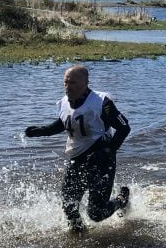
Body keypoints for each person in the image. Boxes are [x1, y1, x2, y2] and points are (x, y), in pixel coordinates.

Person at [24, 65, 131, 233]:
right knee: (69, 207)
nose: (68, 86)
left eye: (73, 82)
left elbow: (124, 128)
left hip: (101, 159)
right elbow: (65, 122)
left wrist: (108, 151)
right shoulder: (64, 102)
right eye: (65, 82)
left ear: (85, 83)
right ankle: (79, 238)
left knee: (96, 213)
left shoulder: (102, 103)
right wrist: (43, 130)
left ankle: (121, 200)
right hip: (77, 158)